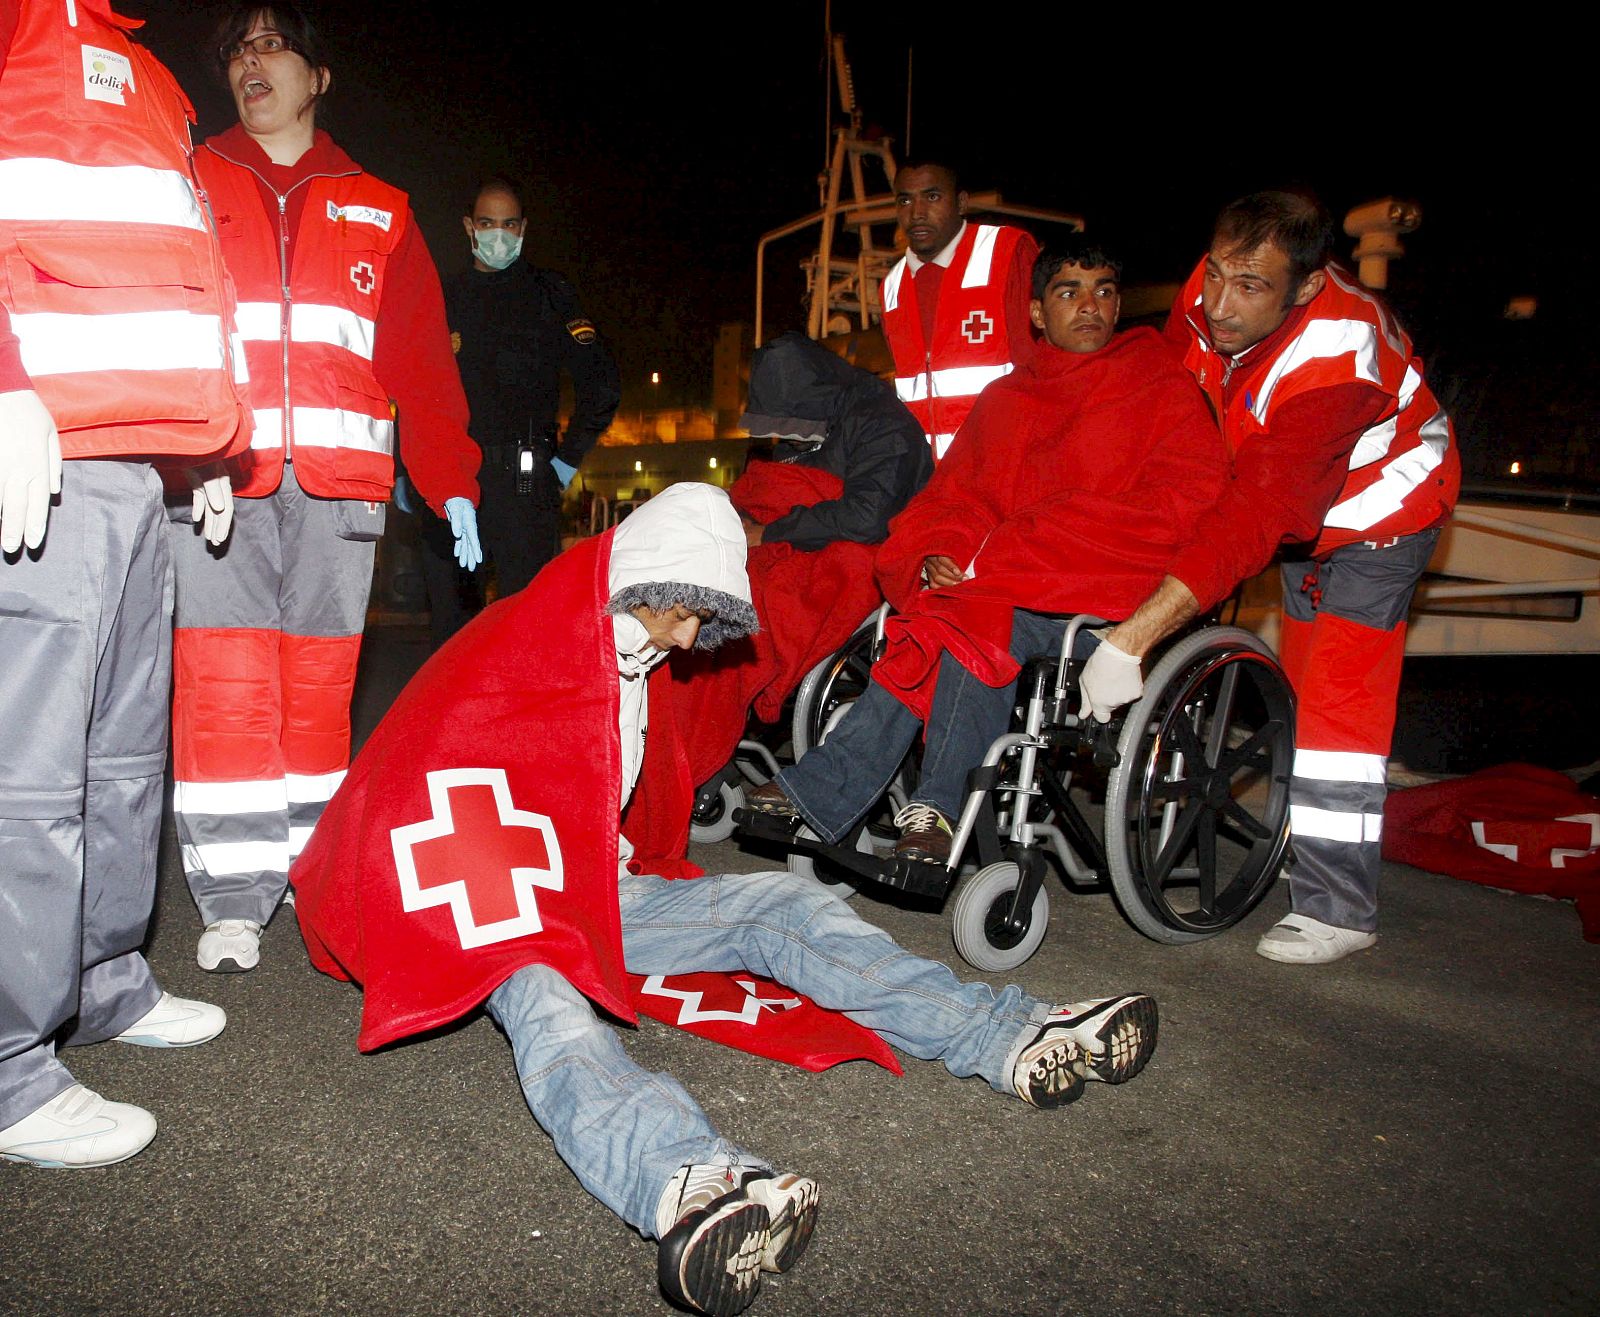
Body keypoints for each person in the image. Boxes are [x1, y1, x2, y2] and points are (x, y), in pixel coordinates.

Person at [290, 482, 1159, 1317]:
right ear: (659, 581)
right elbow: (425, 770)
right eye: (697, 609)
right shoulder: (527, 638)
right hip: (481, 896)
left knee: (784, 909)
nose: (703, 633)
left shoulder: (633, 651)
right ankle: (685, 1182)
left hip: (593, 884)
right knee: (547, 1000)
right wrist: (535, 906)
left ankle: (1007, 1034)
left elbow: (624, 786)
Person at [169, 3, 484, 976]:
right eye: (237, 50)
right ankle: (230, 895)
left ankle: (307, 873)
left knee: (316, 694)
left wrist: (453, 483)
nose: (250, 63)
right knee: (223, 693)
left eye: (271, 45)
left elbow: (421, 363)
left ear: (318, 75)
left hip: (340, 490)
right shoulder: (186, 182)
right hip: (217, 481)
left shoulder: (379, 205)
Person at [746, 239, 1229, 866]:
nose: (1090, 306)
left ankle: (895, 803)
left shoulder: (1159, 386)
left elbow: (1182, 506)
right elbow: (956, 498)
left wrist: (1015, 549)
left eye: (1104, 291)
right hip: (996, 593)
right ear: (1035, 313)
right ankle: (925, 812)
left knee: (967, 620)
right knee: (962, 618)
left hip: (1109, 611)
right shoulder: (1006, 400)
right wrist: (943, 550)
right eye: (1069, 292)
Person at [1075, 191, 1459, 965]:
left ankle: (1339, 908)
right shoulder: (1220, 283)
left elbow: (1262, 511)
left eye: (1247, 287)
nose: (1218, 303)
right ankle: (1311, 849)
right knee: (1305, 680)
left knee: (1336, 718)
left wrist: (1135, 638)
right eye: (1214, 275)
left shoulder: (1339, 359)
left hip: (1383, 513)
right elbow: (1180, 383)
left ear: (1307, 286)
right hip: (1302, 506)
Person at [0, 0, 246, 1169]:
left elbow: (186, 269)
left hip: (137, 459)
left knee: (118, 756)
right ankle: (5, 1062)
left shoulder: (149, 72)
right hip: (42, 438)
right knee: (26, 770)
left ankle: (98, 980)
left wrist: (207, 441)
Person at [661, 331, 931, 822]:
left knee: (754, 612)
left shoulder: (883, 425)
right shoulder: (811, 422)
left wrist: (770, 531)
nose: (784, 435)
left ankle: (693, 746)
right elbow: (770, 489)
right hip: (794, 541)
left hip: (854, 553)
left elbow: (868, 516)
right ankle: (671, 737)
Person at [418, 174, 621, 646]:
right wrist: (411, 471)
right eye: (488, 223)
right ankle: (455, 720)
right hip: (452, 481)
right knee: (450, 631)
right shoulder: (441, 298)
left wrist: (566, 462)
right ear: (469, 226)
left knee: (526, 628)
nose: (498, 235)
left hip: (524, 484)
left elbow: (602, 383)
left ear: (524, 228)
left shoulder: (549, 294)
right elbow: (417, 389)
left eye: (509, 224)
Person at [880, 161, 1038, 460]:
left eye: (933, 196)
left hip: (1000, 464)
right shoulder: (891, 287)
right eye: (905, 200)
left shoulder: (1005, 252)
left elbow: (1037, 367)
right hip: (928, 479)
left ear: (961, 203)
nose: (917, 213)